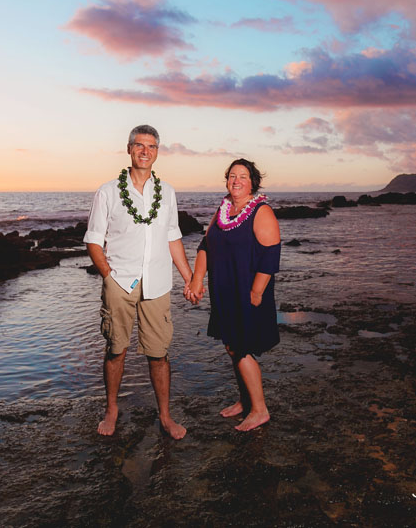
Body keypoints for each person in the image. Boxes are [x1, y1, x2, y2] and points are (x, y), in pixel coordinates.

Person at [85, 125, 193, 440]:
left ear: (157, 152)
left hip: (157, 284)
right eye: (140, 145)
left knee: (159, 353)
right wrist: (109, 276)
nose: (145, 151)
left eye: (151, 146)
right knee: (116, 348)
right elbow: (93, 240)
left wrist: (189, 278)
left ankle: (165, 415)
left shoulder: (168, 192)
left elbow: (173, 238)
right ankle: (112, 409)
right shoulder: (108, 191)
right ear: (129, 149)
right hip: (120, 282)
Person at [187, 159, 281, 431]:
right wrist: (196, 279)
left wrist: (256, 291)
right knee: (231, 346)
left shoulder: (261, 211)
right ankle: (245, 401)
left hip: (249, 292)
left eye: (242, 176)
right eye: (232, 176)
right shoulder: (224, 210)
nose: (236, 180)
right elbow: (206, 245)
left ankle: (260, 410)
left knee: (241, 348)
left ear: (253, 181)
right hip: (224, 289)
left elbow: (270, 257)